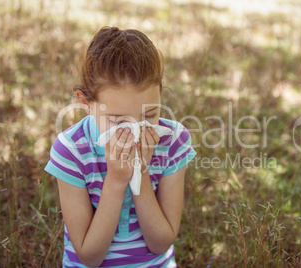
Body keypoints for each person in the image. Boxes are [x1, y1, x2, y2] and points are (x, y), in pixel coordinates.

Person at [44, 26, 197, 267]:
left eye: (150, 114)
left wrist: (140, 173)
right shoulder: (71, 150)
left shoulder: (173, 141)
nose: (136, 131)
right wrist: (116, 181)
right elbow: (89, 256)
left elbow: (160, 243)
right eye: (118, 121)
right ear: (85, 103)